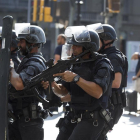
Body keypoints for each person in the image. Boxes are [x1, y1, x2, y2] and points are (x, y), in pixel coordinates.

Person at [44, 26, 114, 140]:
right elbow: (63, 91)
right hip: (73, 115)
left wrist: (76, 78)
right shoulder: (75, 64)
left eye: (77, 46)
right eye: (72, 45)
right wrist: (52, 83)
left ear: (88, 47)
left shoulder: (102, 63)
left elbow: (97, 92)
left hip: (92, 118)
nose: (73, 48)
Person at [8, 25, 49, 140]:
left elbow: (19, 84)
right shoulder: (28, 61)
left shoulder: (35, 63)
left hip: (30, 123)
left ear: (32, 43)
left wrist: (10, 68)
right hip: (21, 120)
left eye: (22, 41)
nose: (19, 45)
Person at [89, 24, 128, 140]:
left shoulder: (113, 57)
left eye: (97, 38)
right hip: (107, 103)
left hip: (111, 105)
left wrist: (92, 84)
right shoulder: (106, 55)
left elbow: (116, 83)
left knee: (97, 135)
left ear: (105, 40)